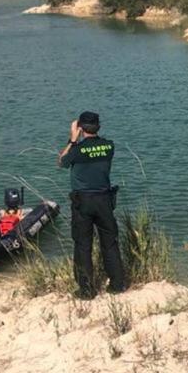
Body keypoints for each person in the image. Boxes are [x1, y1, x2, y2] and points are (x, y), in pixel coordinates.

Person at [58, 111, 126, 299]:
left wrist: (73, 139)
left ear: (80, 128)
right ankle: (118, 284)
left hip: (83, 202)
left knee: (83, 245)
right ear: (99, 126)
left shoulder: (77, 150)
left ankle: (87, 290)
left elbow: (61, 161)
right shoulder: (109, 146)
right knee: (110, 243)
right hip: (105, 200)